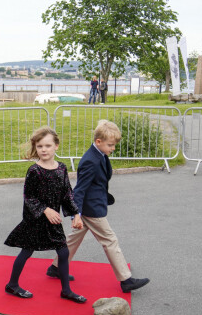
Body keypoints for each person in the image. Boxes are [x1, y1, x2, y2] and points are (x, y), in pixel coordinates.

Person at [47, 120, 150, 293]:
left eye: (114, 145)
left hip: (92, 205)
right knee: (110, 240)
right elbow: (79, 190)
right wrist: (76, 214)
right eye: (111, 145)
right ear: (98, 142)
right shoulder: (90, 161)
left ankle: (56, 268)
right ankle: (126, 279)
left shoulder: (99, 154)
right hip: (91, 209)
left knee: (74, 239)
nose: (113, 148)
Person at [4, 126, 86, 303]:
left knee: (63, 253)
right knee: (26, 252)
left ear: (56, 146)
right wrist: (45, 210)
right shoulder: (34, 171)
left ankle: (66, 290)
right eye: (40, 146)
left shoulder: (62, 168)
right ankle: (12, 284)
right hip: (35, 220)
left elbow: (67, 193)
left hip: (53, 220)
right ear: (36, 148)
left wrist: (76, 214)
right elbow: (29, 197)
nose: (44, 150)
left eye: (48, 145)